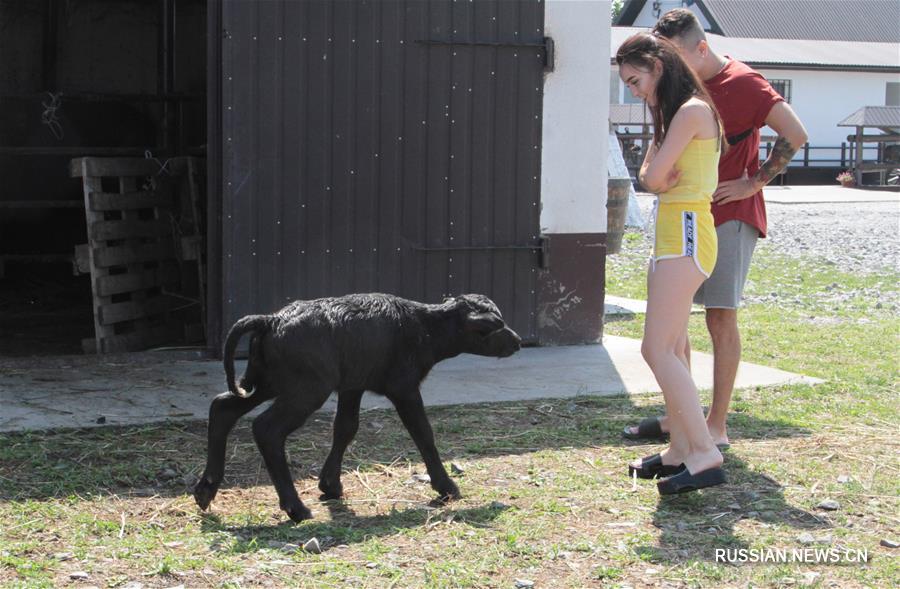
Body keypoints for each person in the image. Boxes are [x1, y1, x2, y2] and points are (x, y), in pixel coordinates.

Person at [623, 9, 808, 448]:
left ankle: (716, 425)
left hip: (727, 213)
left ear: (700, 49)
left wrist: (753, 182)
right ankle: (678, 419)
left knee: (720, 316)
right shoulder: (676, 93)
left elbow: (795, 133)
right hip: (686, 210)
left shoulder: (743, 83)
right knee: (675, 324)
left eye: (674, 59)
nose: (664, 69)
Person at [616, 32, 726, 494]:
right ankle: (680, 449)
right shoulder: (677, 114)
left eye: (635, 80)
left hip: (685, 234)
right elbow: (648, 176)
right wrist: (654, 173)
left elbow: (656, 175)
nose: (634, 91)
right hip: (671, 235)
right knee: (674, 349)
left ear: (658, 66)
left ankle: (704, 453)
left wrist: (655, 173)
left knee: (656, 349)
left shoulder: (692, 111)